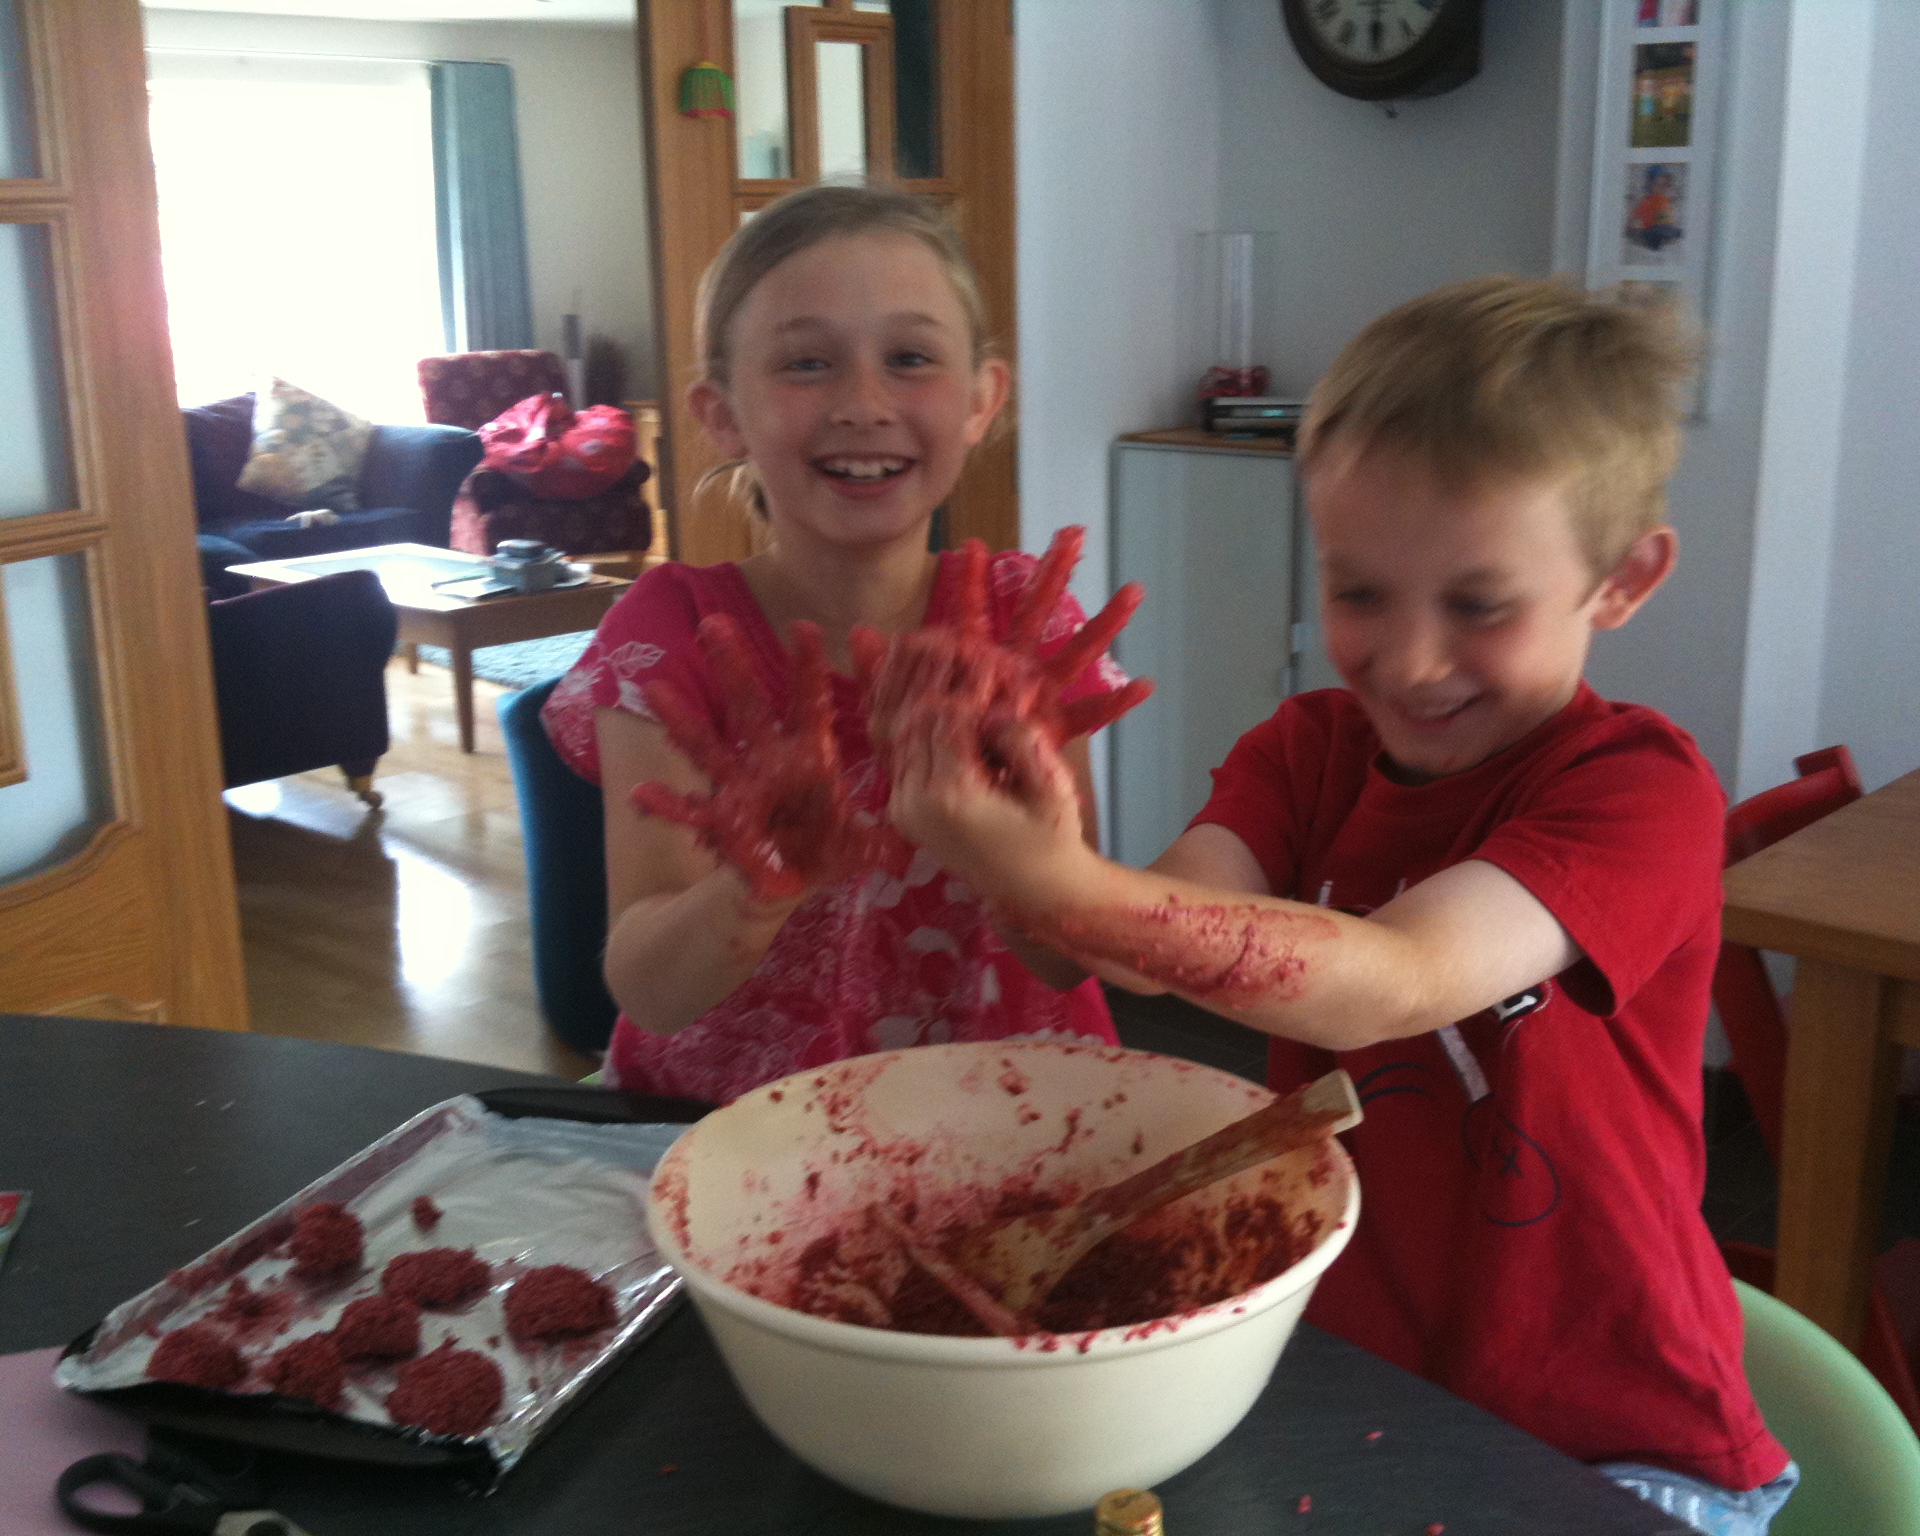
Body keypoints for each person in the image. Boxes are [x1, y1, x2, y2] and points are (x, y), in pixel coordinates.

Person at [873, 277, 1797, 1536]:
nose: (1409, 661)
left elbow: (1399, 977)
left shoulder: (1635, 790)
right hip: (1363, 1391)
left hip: (1613, 1431)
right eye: (1360, 594)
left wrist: (1066, 886)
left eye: (1478, 604)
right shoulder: (1305, 752)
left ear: (1621, 579)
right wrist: (1011, 843)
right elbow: (1153, 944)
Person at [541, 184, 1139, 1106]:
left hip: (1008, 1119)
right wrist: (750, 891)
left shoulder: (1025, 631)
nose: (863, 402)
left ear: (983, 400)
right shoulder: (669, 641)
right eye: (807, 364)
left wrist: (1005, 844)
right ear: (721, 414)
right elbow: (648, 989)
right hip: (736, 1134)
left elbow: (1065, 962)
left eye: (910, 358)